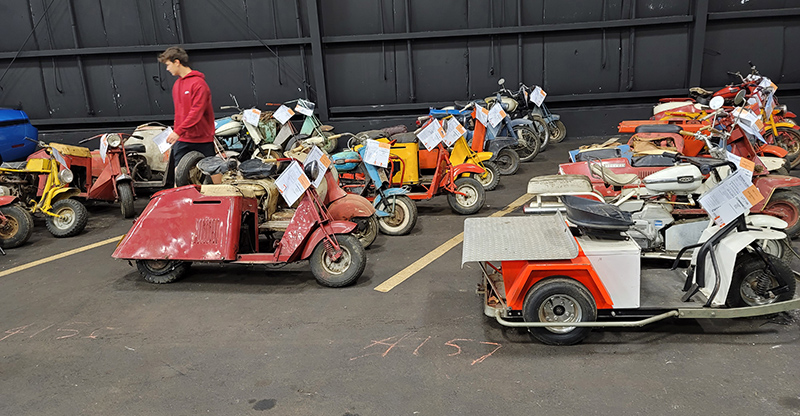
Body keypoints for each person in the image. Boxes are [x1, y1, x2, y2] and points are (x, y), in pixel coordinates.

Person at [157, 46, 219, 183]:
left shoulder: (199, 84)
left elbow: (196, 112)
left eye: (168, 65)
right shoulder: (177, 85)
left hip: (202, 138)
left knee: (213, 170)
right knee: (178, 174)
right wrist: (176, 131)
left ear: (177, 62)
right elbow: (180, 113)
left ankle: (222, 196)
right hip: (183, 138)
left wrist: (178, 131)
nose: (167, 69)